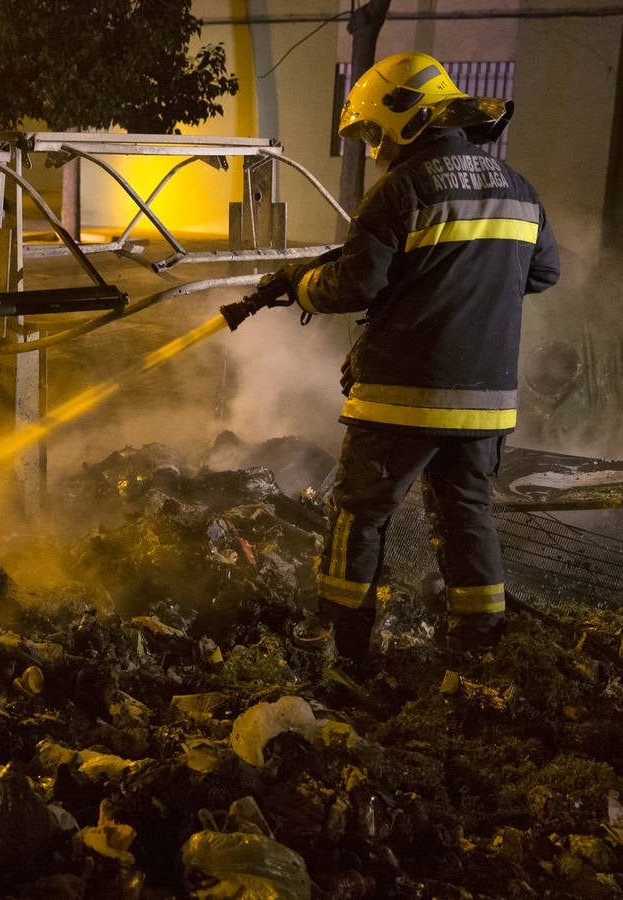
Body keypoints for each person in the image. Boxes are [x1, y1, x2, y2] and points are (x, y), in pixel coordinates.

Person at [260, 51, 560, 667]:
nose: (373, 146)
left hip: (402, 395)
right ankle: (481, 651)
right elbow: (543, 272)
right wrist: (472, 284)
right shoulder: (521, 191)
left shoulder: (401, 190)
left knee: (359, 514)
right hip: (486, 402)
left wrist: (300, 285)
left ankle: (343, 648)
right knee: (467, 515)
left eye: (372, 131)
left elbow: (355, 286)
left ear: (406, 116)